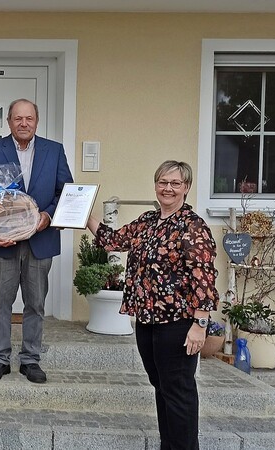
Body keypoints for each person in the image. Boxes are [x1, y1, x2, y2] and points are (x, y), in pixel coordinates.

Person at [87, 160, 219, 450]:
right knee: (162, 387)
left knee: (179, 391)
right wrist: (84, 214)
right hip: (148, 322)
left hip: (178, 324)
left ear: (186, 188)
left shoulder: (192, 226)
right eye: (163, 182)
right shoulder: (147, 221)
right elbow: (113, 241)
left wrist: (200, 325)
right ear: (156, 185)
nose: (167, 188)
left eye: (175, 183)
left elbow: (204, 278)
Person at [0, 99, 73, 384]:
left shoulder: (54, 151)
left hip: (40, 240)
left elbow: (64, 192)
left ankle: (30, 360)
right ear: (9, 121)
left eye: (29, 118)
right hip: (2, 243)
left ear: (36, 121)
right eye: (18, 118)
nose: (23, 123)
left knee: (35, 304)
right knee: (0, 302)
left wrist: (47, 216)